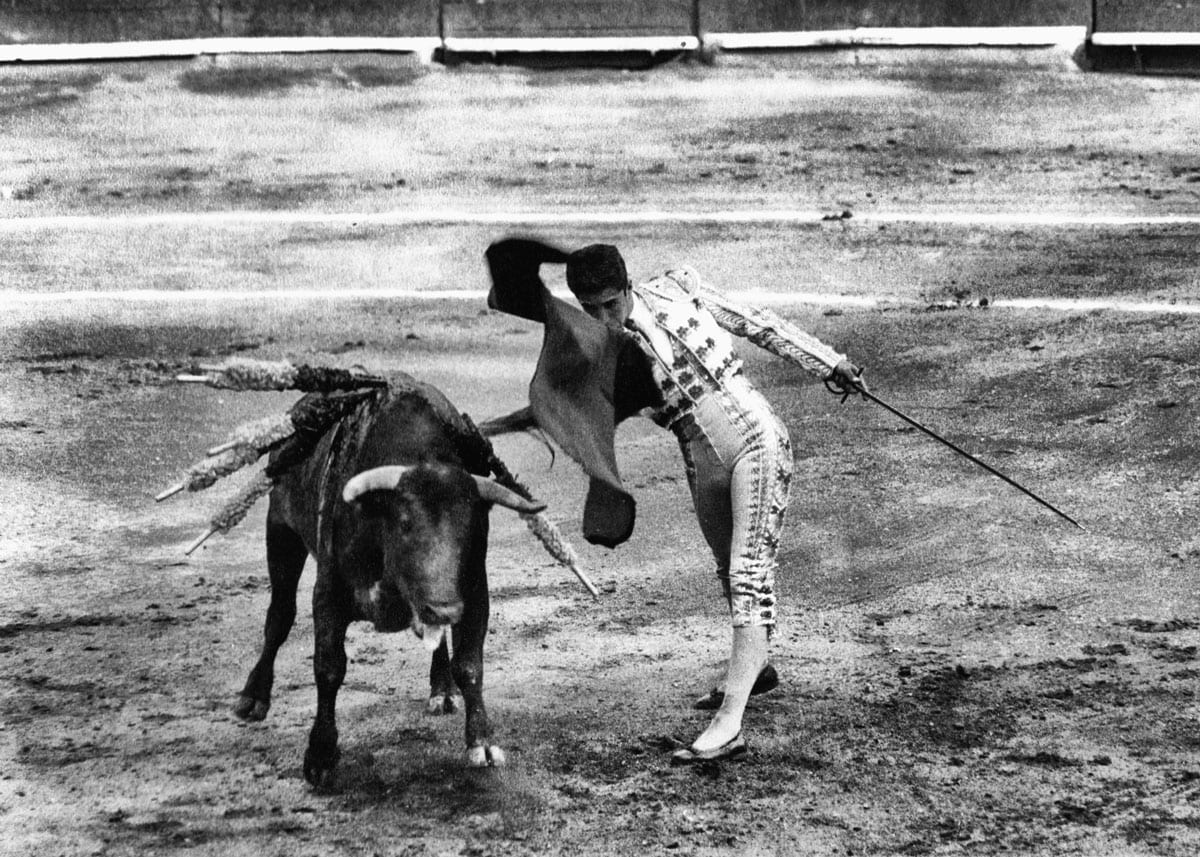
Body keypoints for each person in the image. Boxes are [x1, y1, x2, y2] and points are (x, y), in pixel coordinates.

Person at [484, 238, 867, 764]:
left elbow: (756, 323)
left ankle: (729, 722)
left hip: (757, 439)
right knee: (728, 569)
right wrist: (495, 430)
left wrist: (828, 362)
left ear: (628, 287)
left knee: (749, 574)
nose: (605, 318)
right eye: (591, 309)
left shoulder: (677, 288)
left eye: (611, 304)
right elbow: (563, 408)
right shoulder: (600, 352)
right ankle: (756, 667)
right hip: (700, 460)